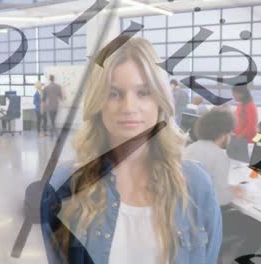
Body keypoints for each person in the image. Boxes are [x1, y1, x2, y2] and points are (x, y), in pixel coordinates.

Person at [41, 36, 222, 264]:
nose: (129, 107)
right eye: (114, 94)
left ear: (160, 100)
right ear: (98, 103)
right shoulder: (63, 185)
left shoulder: (196, 185)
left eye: (143, 93)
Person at [184, 110, 261, 264]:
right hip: (207, 221)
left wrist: (227, 188)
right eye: (230, 132)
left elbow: (204, 183)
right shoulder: (219, 155)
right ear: (223, 134)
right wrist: (235, 191)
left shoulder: (190, 148)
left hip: (189, 217)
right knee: (258, 225)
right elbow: (221, 199)